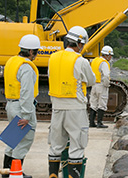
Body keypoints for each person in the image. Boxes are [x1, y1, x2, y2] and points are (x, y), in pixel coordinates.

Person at [47, 26, 96, 178]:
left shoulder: (52, 58)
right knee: (77, 145)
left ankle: (53, 175)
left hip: (57, 107)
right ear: (80, 43)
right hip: (75, 107)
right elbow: (91, 80)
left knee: (56, 146)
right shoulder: (80, 61)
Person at [1, 34, 41, 178]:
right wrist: (26, 115)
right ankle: (15, 173)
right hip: (21, 106)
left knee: (12, 140)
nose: (36, 54)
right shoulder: (27, 68)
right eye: (36, 51)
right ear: (31, 52)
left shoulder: (12, 61)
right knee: (24, 140)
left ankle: (5, 172)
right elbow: (26, 93)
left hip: (11, 104)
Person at [89, 45, 114, 128]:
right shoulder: (104, 63)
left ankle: (91, 122)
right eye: (110, 55)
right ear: (107, 55)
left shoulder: (95, 60)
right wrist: (107, 84)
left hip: (94, 84)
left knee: (93, 103)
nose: (111, 57)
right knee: (102, 104)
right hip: (101, 85)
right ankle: (99, 123)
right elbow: (106, 75)